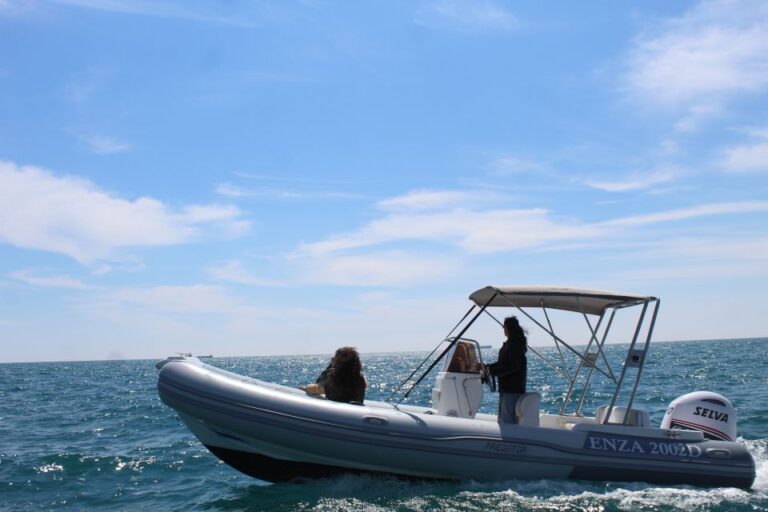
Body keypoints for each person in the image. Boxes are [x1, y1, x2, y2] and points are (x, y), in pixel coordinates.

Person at [485, 316, 527, 423]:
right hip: (508, 389)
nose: (503, 329)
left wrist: (492, 371)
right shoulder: (511, 344)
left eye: (504, 326)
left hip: (512, 390)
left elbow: (512, 366)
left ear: (508, 328)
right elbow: (502, 364)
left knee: (507, 419)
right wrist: (488, 367)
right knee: (504, 419)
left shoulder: (514, 346)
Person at [302, 346, 367, 404]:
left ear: (336, 360)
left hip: (330, 410)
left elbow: (318, 382)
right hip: (349, 412)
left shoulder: (331, 375)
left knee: (308, 388)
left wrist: (331, 365)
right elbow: (359, 402)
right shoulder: (359, 378)